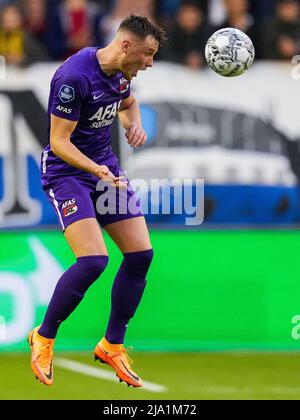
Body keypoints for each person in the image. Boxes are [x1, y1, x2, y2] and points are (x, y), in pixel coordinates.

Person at [28, 15, 166, 388]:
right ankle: (44, 335)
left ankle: (112, 345)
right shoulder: (74, 77)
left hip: (103, 169)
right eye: (148, 53)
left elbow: (128, 103)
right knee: (92, 261)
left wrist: (131, 122)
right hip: (68, 174)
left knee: (140, 255)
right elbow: (59, 141)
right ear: (125, 46)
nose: (149, 62)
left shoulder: (121, 76)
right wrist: (96, 169)